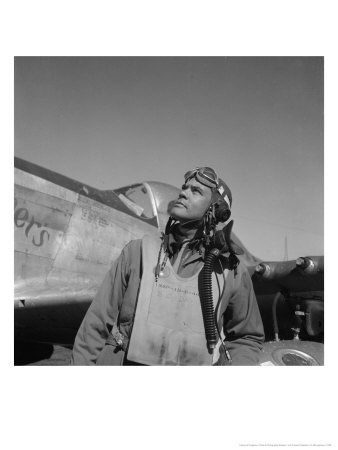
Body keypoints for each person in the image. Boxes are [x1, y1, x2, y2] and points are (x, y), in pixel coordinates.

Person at [70, 167, 264, 366]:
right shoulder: (137, 252)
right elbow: (95, 325)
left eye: (195, 191)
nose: (183, 192)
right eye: (185, 187)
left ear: (216, 210)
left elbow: (246, 338)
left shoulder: (231, 270)